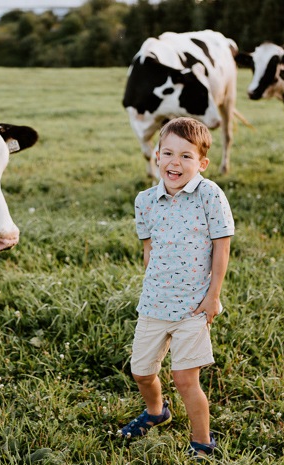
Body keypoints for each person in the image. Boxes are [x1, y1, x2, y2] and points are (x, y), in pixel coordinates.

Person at [118, 117, 234, 461]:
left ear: (202, 163)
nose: (175, 162)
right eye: (168, 153)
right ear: (156, 155)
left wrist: (212, 297)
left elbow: (221, 248)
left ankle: (202, 442)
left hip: (192, 308)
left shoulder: (210, 195)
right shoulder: (146, 201)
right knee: (141, 371)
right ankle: (156, 412)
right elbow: (149, 249)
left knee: (185, 379)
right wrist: (153, 282)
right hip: (154, 303)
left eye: (186, 156)